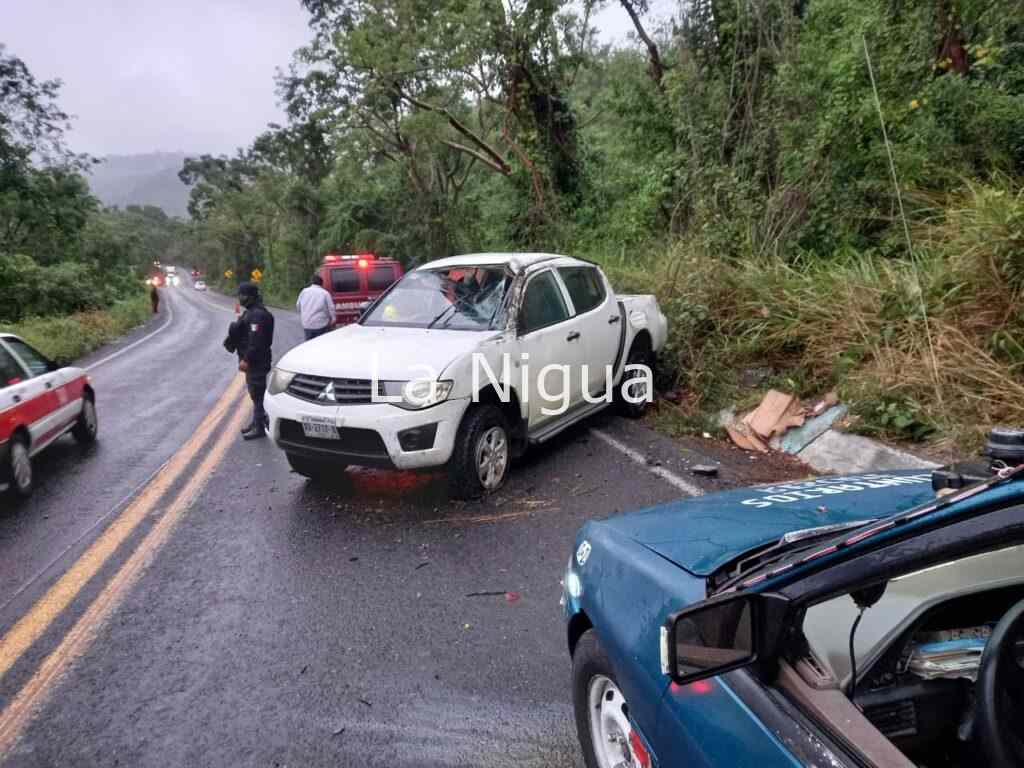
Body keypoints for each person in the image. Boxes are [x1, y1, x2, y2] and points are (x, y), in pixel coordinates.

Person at [234, 282, 275, 440]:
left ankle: (259, 427)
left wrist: (246, 359)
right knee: (254, 393)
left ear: (251, 296)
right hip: (256, 361)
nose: (240, 299)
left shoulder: (257, 315)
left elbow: (256, 342)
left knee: (257, 393)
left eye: (242, 295)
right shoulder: (252, 312)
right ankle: (256, 421)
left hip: (257, 360)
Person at [296, 274, 335, 340]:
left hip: (307, 324)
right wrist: (333, 318)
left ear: (312, 282)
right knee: (321, 344)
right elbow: (331, 308)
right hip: (321, 324)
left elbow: (298, 306)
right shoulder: (325, 293)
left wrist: (304, 314)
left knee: (309, 345)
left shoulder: (304, 291)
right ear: (321, 284)